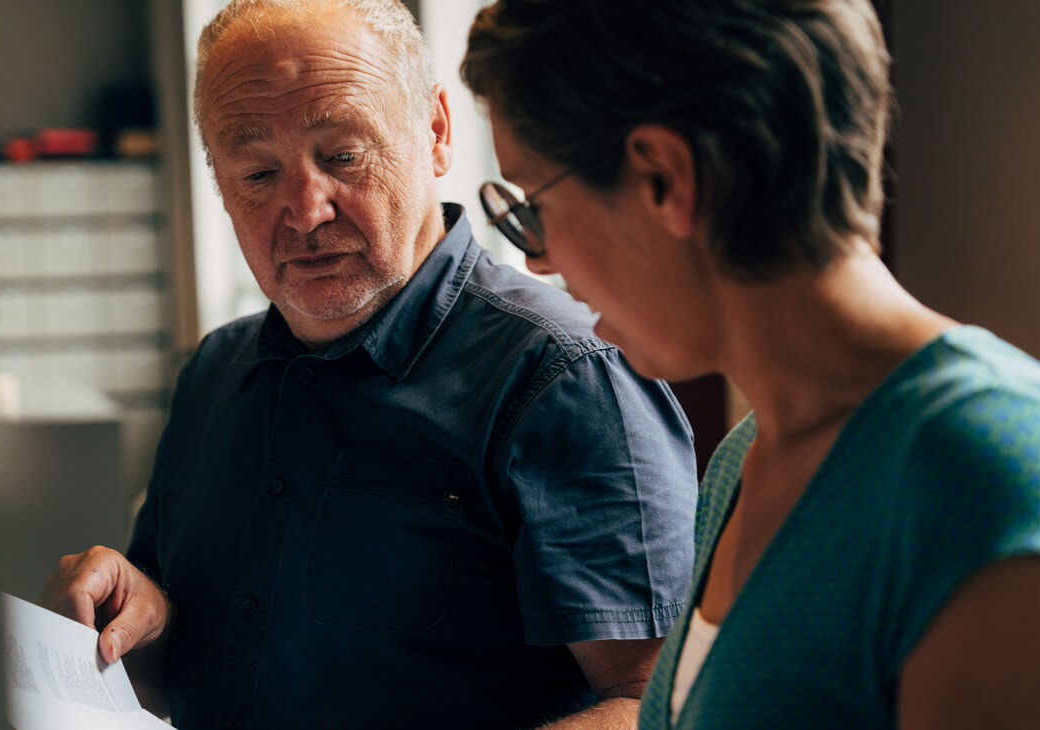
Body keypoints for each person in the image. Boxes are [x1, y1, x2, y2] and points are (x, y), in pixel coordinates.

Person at [42, 1, 700, 728]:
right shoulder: (216, 370)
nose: (305, 209)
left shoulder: (563, 376)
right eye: (258, 173)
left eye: (343, 157)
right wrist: (137, 616)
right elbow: (189, 673)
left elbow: (657, 707)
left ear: (438, 132)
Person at [462, 1, 1040, 728]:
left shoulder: (986, 475)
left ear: (665, 179)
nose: (535, 259)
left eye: (532, 207)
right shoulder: (742, 460)